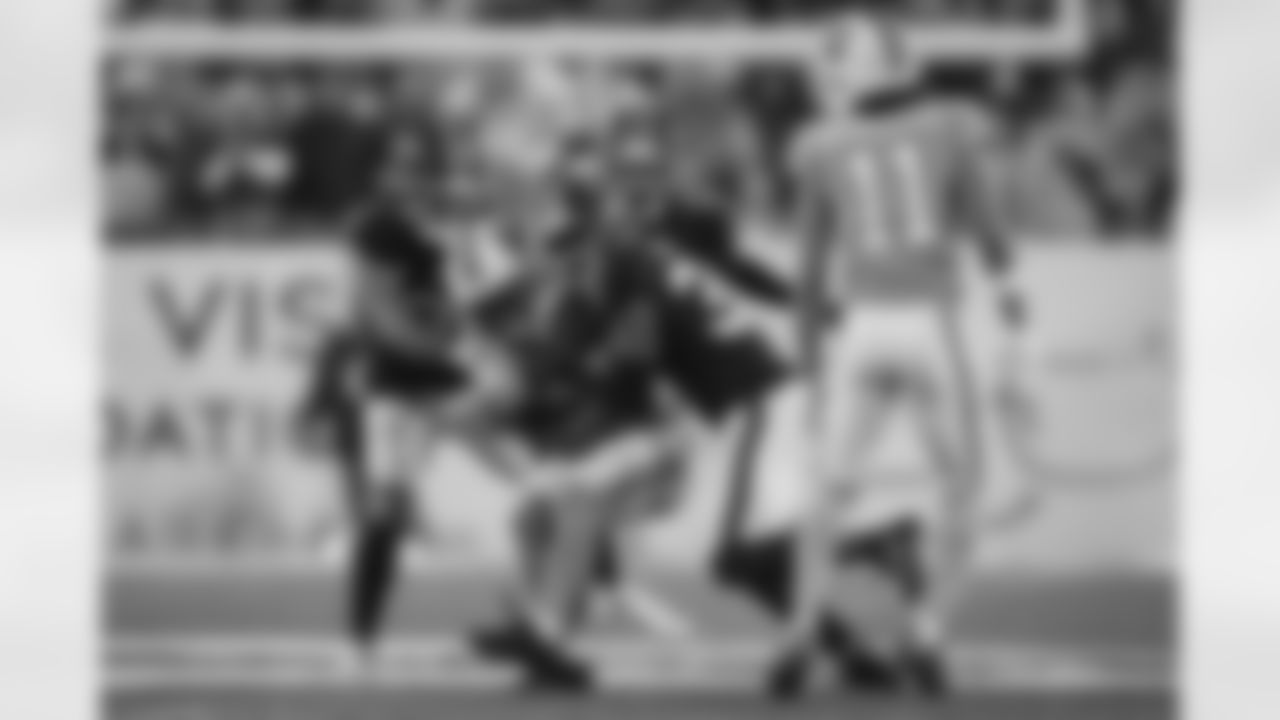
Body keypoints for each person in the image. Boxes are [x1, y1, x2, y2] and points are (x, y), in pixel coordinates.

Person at [772, 11, 1027, 698]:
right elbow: (987, 225)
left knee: (826, 490)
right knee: (965, 490)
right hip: (931, 322)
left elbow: (806, 270)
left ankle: (798, 633)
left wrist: (807, 364)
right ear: (905, 64)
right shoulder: (951, 126)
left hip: (860, 329)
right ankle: (927, 634)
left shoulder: (819, 144)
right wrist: (1010, 293)